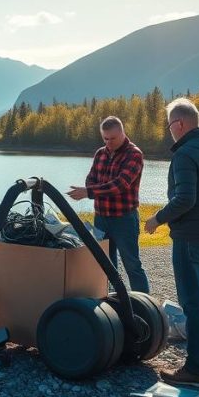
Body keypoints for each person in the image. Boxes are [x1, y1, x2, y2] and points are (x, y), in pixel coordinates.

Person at [145, 98, 199, 388]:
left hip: (189, 239)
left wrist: (157, 219)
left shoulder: (185, 154)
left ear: (180, 124)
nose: (169, 130)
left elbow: (185, 199)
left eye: (170, 125)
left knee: (193, 304)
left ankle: (196, 370)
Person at [67, 116, 150, 294]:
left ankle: (145, 305)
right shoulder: (100, 153)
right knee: (105, 264)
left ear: (122, 133)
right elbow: (91, 178)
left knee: (132, 264)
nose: (108, 142)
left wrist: (89, 192)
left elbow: (120, 185)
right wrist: (90, 188)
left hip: (124, 219)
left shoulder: (134, 154)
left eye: (112, 138)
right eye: (105, 138)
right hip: (101, 218)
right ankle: (114, 300)